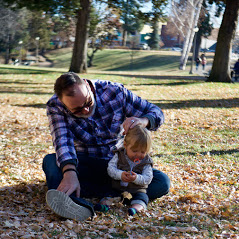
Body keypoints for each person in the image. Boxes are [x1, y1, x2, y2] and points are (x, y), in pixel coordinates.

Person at [43, 72, 170, 221]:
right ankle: (81, 202)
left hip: (118, 164)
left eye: (88, 102)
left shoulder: (114, 92)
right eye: (76, 110)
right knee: (51, 162)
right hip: (84, 163)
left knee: (161, 182)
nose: (85, 110)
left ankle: (100, 194)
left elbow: (157, 112)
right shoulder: (55, 106)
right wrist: (69, 173)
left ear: (87, 85)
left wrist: (143, 120)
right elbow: (62, 141)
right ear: (62, 102)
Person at [95, 125, 154, 216]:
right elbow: (111, 169)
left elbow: (148, 178)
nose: (138, 155)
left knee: (142, 198)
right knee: (108, 194)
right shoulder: (119, 155)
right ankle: (105, 206)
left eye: (142, 152)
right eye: (134, 151)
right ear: (126, 145)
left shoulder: (146, 161)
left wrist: (136, 178)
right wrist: (120, 174)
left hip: (136, 191)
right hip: (117, 188)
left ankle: (135, 209)